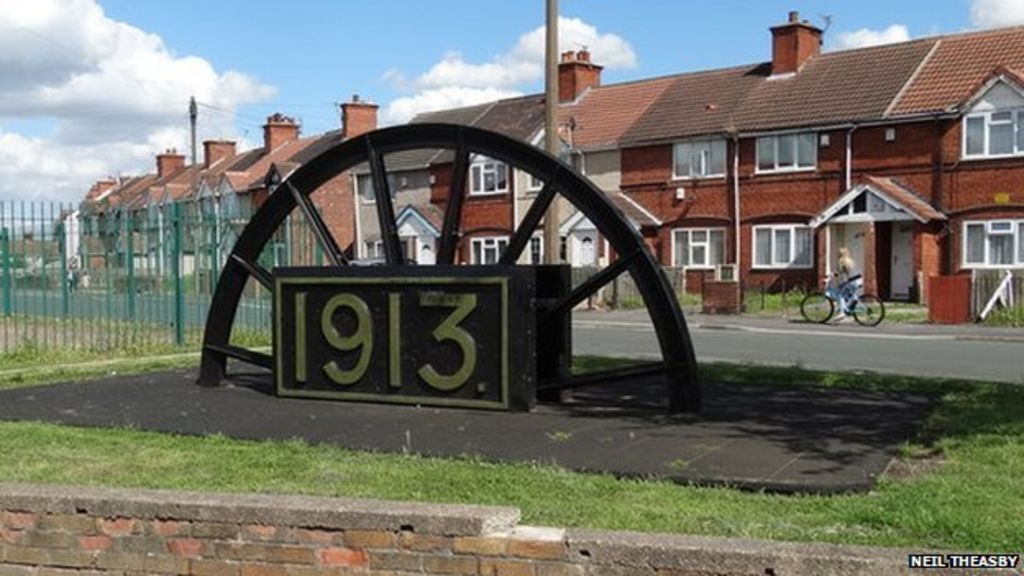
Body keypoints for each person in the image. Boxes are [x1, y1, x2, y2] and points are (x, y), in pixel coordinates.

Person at [834, 247, 858, 317]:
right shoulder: (850, 261)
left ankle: (842, 312)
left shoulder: (842, 261)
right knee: (841, 288)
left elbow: (840, 272)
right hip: (856, 281)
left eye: (838, 254)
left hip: (850, 282)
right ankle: (854, 299)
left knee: (840, 295)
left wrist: (832, 275)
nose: (837, 255)